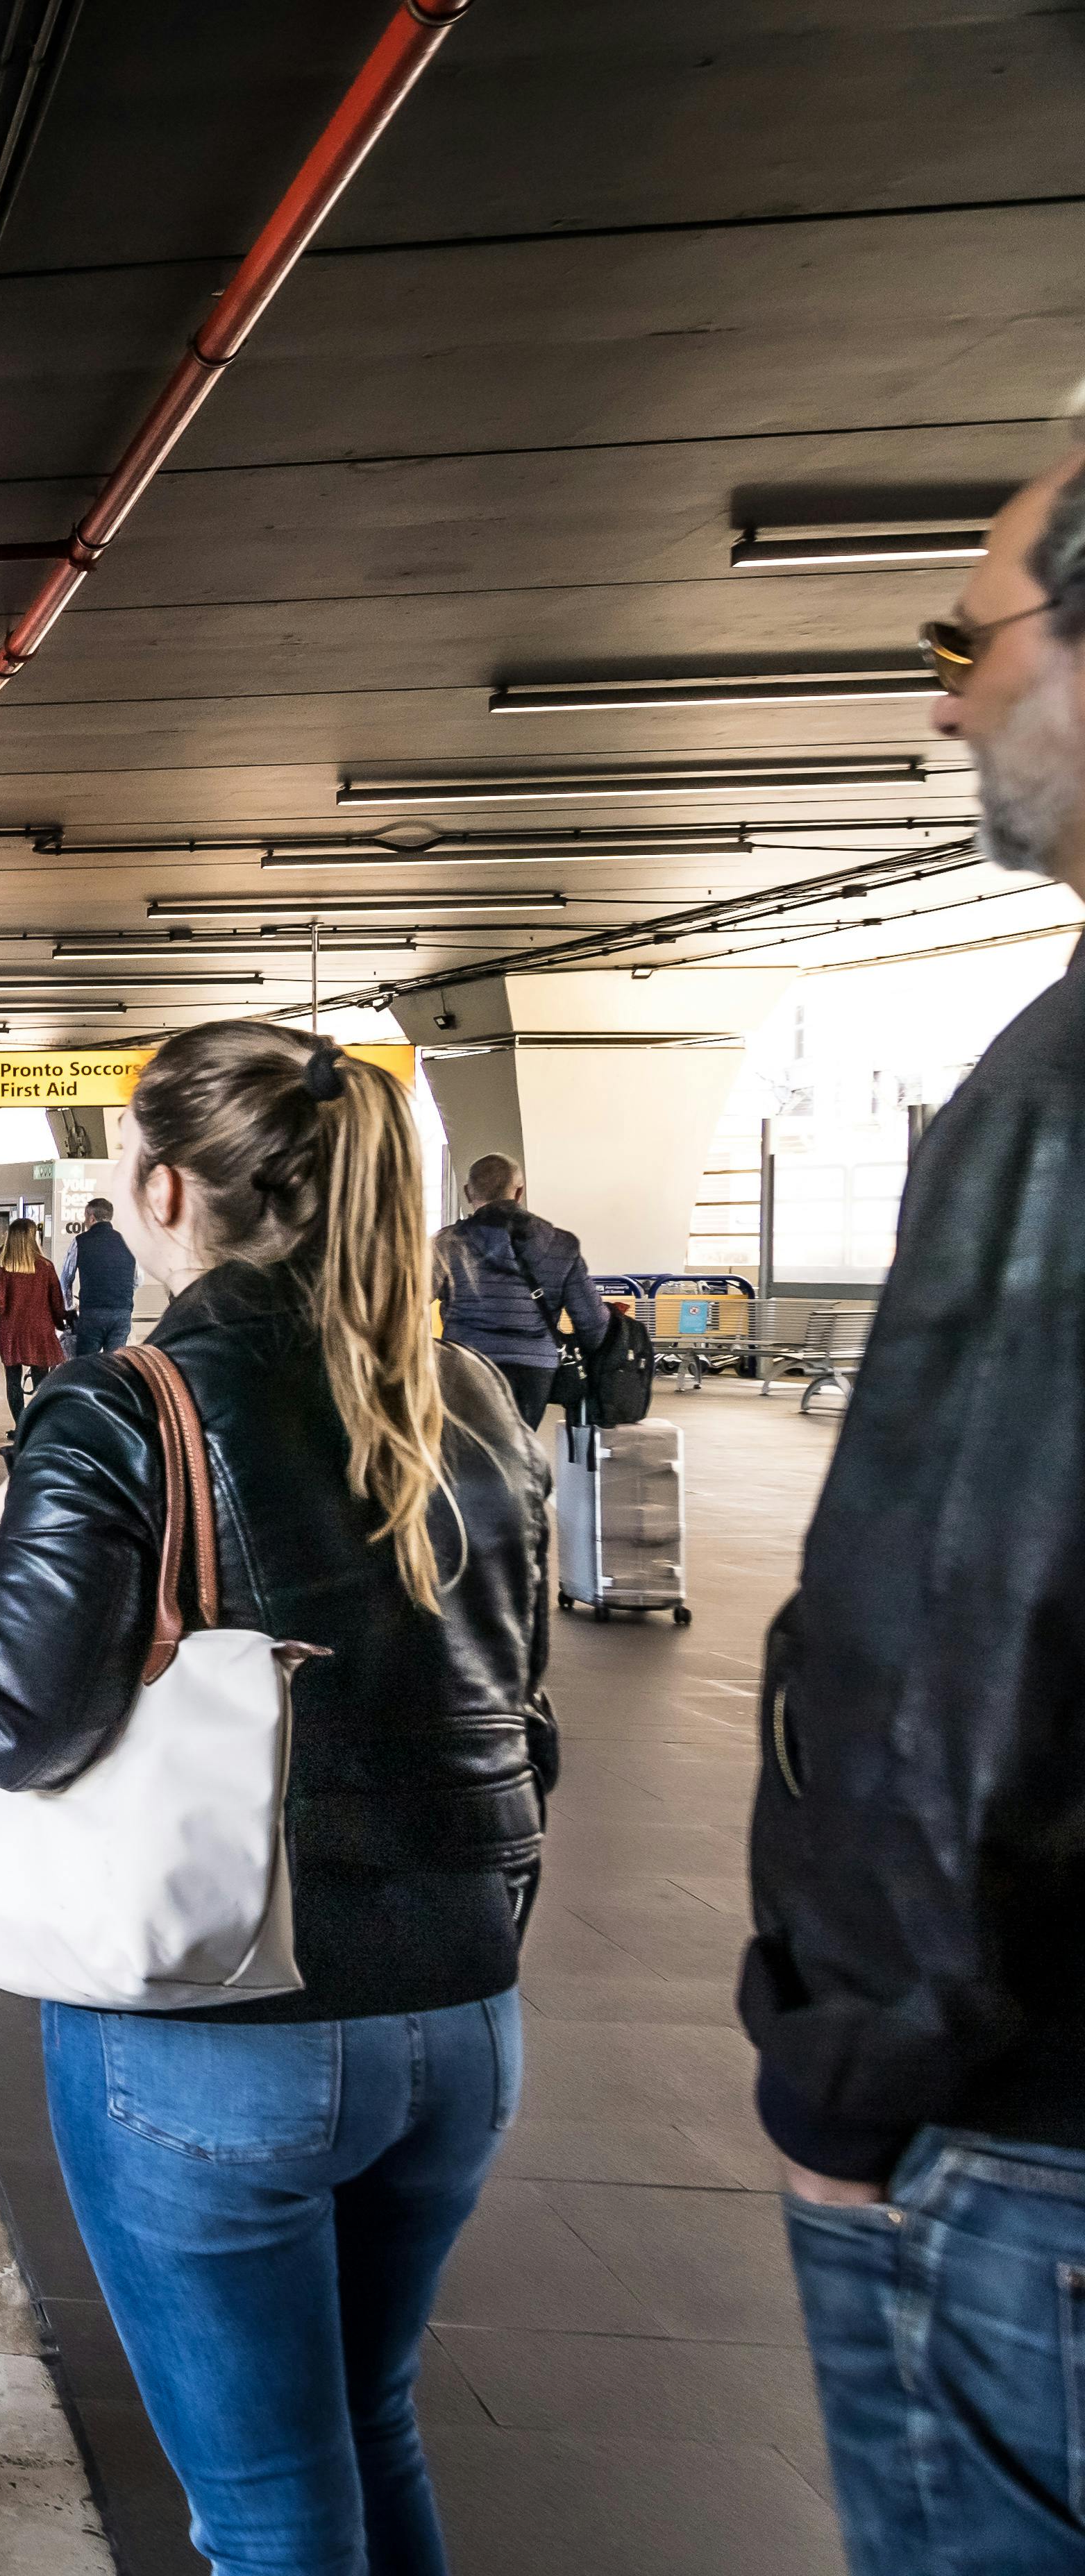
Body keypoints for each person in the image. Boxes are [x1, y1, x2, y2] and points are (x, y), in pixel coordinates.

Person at [0, 1022, 554, 2576]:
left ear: (160, 1184)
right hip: (463, 2013)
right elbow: (526, 1707)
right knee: (372, 2420)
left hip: (222, 2037)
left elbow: (7, 1715)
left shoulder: (128, 1402)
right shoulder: (460, 1391)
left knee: (270, 2510)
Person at [747, 442, 1085, 2573]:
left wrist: (839, 2076)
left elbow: (946, 1623)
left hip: (1036, 2153)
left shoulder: (1053, 1100)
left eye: (977, 639)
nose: (946, 702)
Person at [435, 1153, 609, 1429]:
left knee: (465, 1453)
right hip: (534, 1370)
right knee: (519, 1449)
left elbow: (409, 1302)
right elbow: (594, 1323)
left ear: (468, 1192)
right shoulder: (561, 1244)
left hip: (464, 1362)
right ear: (519, 1192)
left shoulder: (447, 1243)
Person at [0, 1215, 69, 1425]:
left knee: (13, 1380)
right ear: (32, 1238)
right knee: (42, 1379)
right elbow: (56, 1302)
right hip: (40, 1330)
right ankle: (39, 1427)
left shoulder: (2, 1270)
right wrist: (61, 1324)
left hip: (12, 1332)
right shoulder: (45, 1267)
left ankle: (21, 1426)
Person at [61, 1194, 137, 1357]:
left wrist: (69, 1307)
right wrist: (121, 1296)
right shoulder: (129, 1242)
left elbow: (66, 1278)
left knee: (87, 1363)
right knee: (115, 1364)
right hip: (122, 1313)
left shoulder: (80, 1241)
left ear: (91, 1217)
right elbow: (137, 1279)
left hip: (92, 1312)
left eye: (85, 1217)